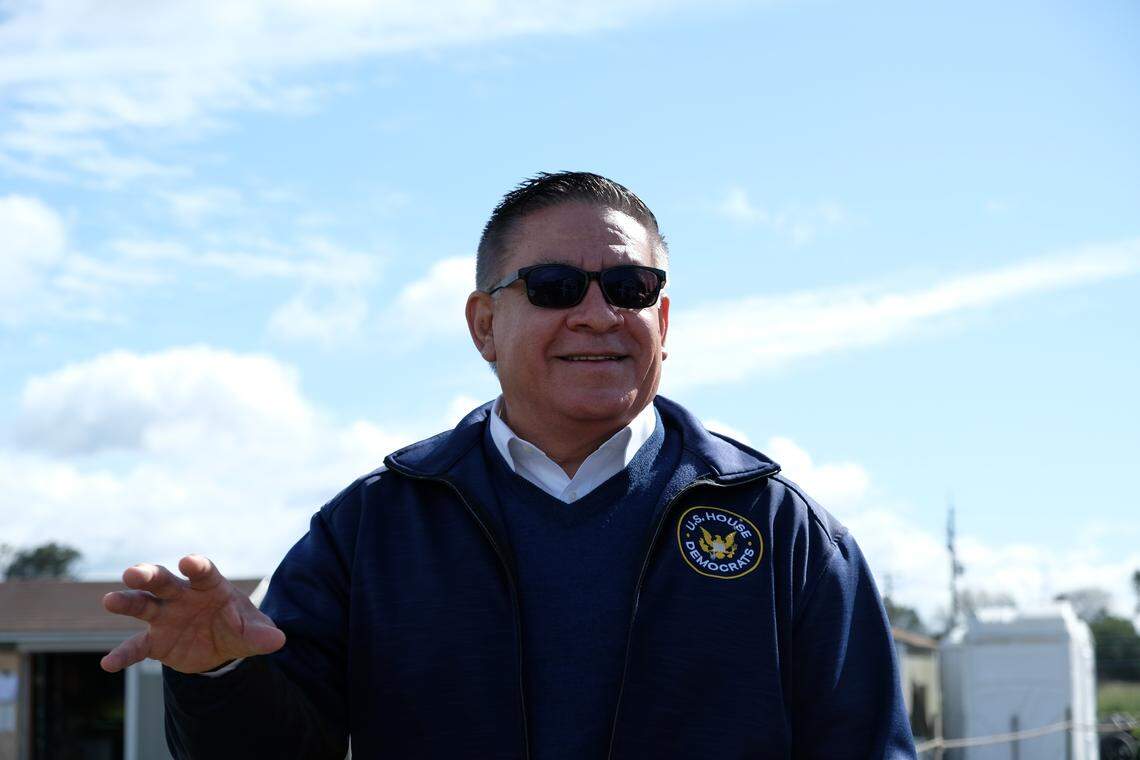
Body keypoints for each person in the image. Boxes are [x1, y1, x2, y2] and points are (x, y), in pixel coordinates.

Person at [101, 171, 916, 759]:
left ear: (662, 320)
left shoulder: (781, 530)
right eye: (556, 286)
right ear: (483, 324)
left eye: (630, 287)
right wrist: (220, 674)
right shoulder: (373, 530)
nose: (599, 314)